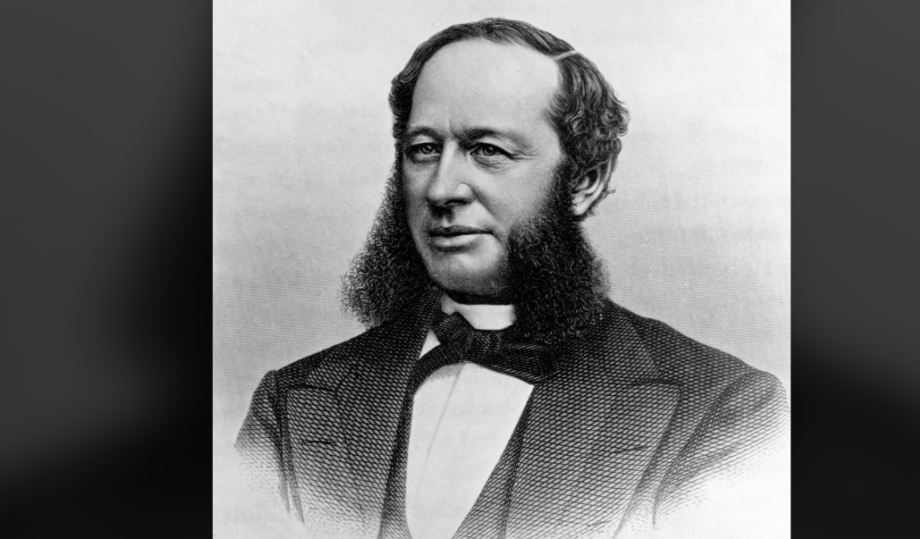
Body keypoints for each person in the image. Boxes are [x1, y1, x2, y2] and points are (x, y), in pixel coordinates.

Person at [236, 18, 788, 539]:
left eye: (488, 151)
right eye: (423, 150)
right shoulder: (292, 402)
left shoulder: (724, 408)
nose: (442, 188)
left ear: (585, 182)